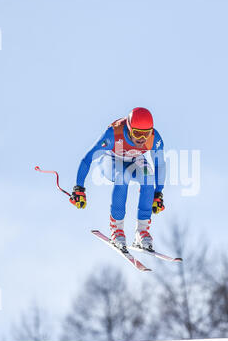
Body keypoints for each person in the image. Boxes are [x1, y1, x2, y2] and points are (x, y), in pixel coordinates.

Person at [70, 107, 166, 251]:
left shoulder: (154, 138)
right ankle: (117, 229)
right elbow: (87, 158)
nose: (141, 139)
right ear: (129, 128)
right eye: (137, 133)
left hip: (135, 159)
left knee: (148, 177)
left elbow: (159, 164)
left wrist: (158, 193)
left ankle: (142, 231)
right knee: (123, 177)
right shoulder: (114, 134)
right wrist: (79, 188)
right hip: (112, 161)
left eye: (145, 134)